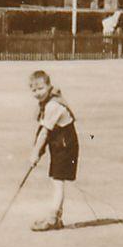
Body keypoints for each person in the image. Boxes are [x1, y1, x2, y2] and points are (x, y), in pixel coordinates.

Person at [28, 70, 80, 231]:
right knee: (55, 179)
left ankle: (53, 219)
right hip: (58, 143)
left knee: (58, 181)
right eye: (34, 90)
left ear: (49, 86)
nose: (37, 93)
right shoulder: (46, 103)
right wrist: (38, 150)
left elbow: (44, 133)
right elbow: (43, 131)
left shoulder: (53, 105)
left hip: (65, 145)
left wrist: (35, 153)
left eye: (41, 88)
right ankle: (56, 217)